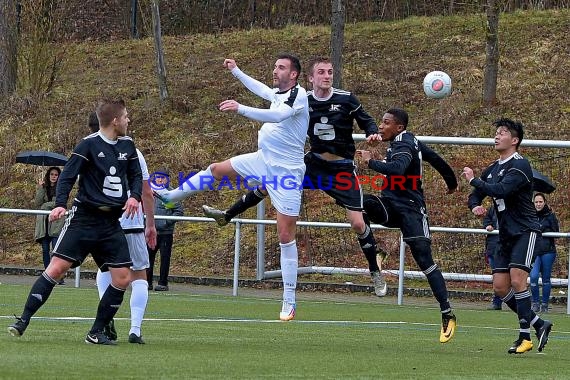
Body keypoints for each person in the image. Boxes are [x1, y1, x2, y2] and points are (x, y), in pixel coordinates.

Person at [202, 56, 388, 296]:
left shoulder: (346, 98)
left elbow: (367, 121)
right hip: (313, 164)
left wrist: (373, 133)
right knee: (272, 184)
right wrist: (238, 73)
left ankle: (375, 270)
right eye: (321, 72)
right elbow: (272, 101)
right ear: (310, 78)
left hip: (341, 168)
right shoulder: (301, 99)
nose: (327, 76)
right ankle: (227, 215)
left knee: (357, 223)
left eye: (330, 72)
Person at [155, 54, 309, 321]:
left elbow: (277, 115)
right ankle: (170, 197)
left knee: (285, 236)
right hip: (263, 160)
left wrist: (241, 109)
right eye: (275, 66)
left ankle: (289, 300)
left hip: (287, 173)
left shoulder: (299, 96)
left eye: (281, 68)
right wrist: (237, 71)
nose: (275, 70)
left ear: (294, 74)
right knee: (216, 169)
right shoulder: (278, 92)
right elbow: (262, 90)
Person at [8, 99, 143, 345]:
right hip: (84, 218)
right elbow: (68, 175)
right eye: (125, 117)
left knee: (123, 278)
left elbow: (135, 175)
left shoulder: (128, 145)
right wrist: (60, 203)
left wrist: (134, 197)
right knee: (57, 269)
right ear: (115, 120)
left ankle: (96, 332)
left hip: (111, 223)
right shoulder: (87, 145)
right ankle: (23, 320)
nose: (128, 121)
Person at [355, 108, 458, 343]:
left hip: (411, 210)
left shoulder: (403, 144)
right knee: (360, 201)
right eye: (380, 122)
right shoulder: (410, 140)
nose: (380, 126)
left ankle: (447, 313)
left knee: (425, 261)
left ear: (399, 127)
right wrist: (451, 182)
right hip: (391, 206)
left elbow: (398, 169)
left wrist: (372, 162)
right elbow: (435, 158)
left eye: (386, 123)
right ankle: (376, 250)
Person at [463, 117, 553, 354]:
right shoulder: (493, 168)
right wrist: (475, 206)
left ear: (514, 141)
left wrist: (474, 179)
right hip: (505, 235)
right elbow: (476, 195)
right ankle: (539, 324)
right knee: (501, 287)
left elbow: (500, 190)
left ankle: (525, 336)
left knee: (517, 281)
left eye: (502, 133)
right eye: (497, 132)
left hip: (526, 231)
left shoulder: (520, 166)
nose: (497, 135)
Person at [87, 112, 158, 344]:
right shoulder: (133, 152)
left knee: (106, 270)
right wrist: (151, 224)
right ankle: (135, 330)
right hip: (132, 222)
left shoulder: (89, 150)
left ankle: (106, 316)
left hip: (103, 224)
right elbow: (146, 192)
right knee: (139, 276)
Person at [147, 168, 184, 292]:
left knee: (165, 258)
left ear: (167, 179)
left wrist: (166, 223)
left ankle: (163, 283)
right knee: (148, 259)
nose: (160, 179)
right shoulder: (148, 192)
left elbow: (178, 211)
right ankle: (147, 282)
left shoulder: (172, 194)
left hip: (166, 233)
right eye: (158, 177)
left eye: (163, 177)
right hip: (150, 233)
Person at [530, 192, 559, 313]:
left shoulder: (550, 216)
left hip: (548, 251)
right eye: (536, 202)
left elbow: (556, 231)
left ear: (544, 202)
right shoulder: (530, 215)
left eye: (540, 201)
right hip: (534, 250)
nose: (538, 204)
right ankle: (535, 302)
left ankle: (545, 304)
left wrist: (544, 227)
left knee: (546, 279)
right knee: (533, 276)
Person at [33, 167, 65, 278]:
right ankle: (48, 274)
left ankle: (57, 275)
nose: (53, 176)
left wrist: (45, 205)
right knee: (45, 250)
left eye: (56, 175)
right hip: (44, 223)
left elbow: (59, 203)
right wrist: (41, 188)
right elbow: (37, 202)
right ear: (48, 175)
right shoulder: (44, 187)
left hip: (56, 223)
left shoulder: (62, 187)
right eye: (52, 174)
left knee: (56, 251)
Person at [483, 207, 502, 310]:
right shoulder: (492, 209)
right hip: (493, 248)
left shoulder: (514, 208)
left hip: (507, 247)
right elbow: (486, 220)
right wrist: (487, 225)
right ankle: (497, 302)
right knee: (496, 276)